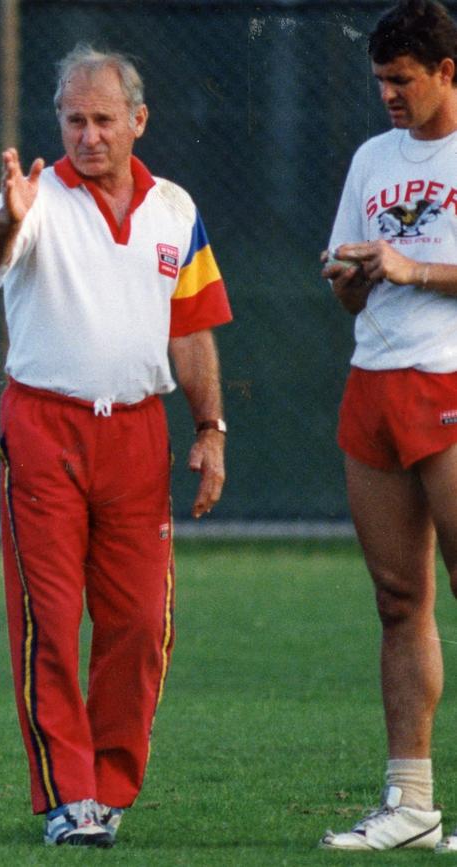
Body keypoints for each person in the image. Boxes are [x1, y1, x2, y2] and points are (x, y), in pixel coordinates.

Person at [0, 45, 232, 847]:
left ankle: (111, 788)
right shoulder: (35, 198)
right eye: (73, 120)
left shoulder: (175, 209)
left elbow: (189, 330)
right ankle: (69, 796)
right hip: (45, 424)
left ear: (138, 121)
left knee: (138, 621)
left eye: (102, 120)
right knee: (49, 617)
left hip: (136, 432)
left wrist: (211, 429)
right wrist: (6, 219)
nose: (87, 136)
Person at [319, 0, 457, 853]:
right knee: (399, 599)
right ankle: (411, 802)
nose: (389, 97)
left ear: (448, 70)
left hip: (448, 375)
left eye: (402, 81)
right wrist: (353, 273)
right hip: (375, 379)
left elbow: (417, 264)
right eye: (379, 82)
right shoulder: (374, 157)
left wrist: (412, 265)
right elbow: (344, 276)